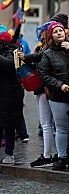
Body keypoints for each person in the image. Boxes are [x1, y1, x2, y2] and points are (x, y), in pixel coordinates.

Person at [38, 22, 69, 171]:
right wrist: (59, 85)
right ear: (51, 36)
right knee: (61, 128)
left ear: (65, 33)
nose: (59, 33)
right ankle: (62, 157)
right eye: (55, 31)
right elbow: (44, 75)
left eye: (61, 31)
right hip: (58, 96)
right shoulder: (47, 53)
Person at [18, 27, 57, 167]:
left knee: (47, 124)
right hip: (46, 88)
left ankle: (48, 155)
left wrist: (26, 60)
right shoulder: (46, 49)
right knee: (51, 124)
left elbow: (40, 65)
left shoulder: (46, 50)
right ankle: (55, 155)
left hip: (45, 88)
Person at [0, 31, 23, 164]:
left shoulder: (13, 52)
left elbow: (9, 65)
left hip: (10, 96)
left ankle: (9, 153)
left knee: (9, 126)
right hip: (3, 94)